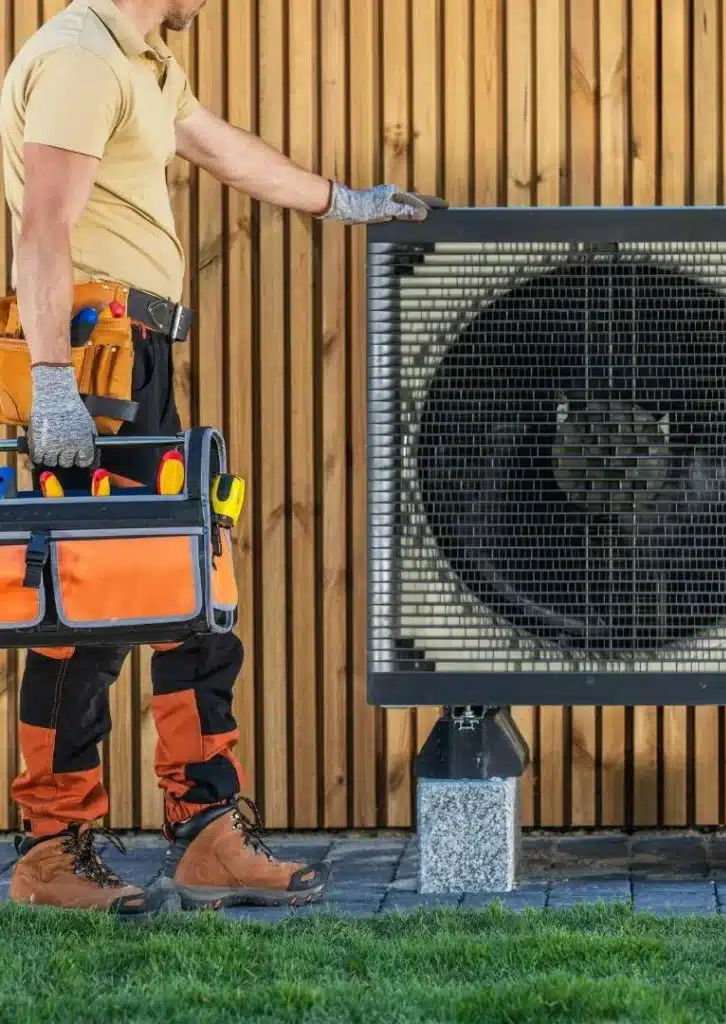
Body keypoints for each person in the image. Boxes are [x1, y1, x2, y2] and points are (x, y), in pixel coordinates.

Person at [0, 0, 442, 916]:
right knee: (81, 612)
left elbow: (224, 147)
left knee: (191, 595)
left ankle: (204, 834)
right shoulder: (82, 60)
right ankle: (51, 854)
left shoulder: (147, 61)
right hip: (89, 363)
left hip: (134, 361)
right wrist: (50, 384)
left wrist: (343, 201)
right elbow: (43, 226)